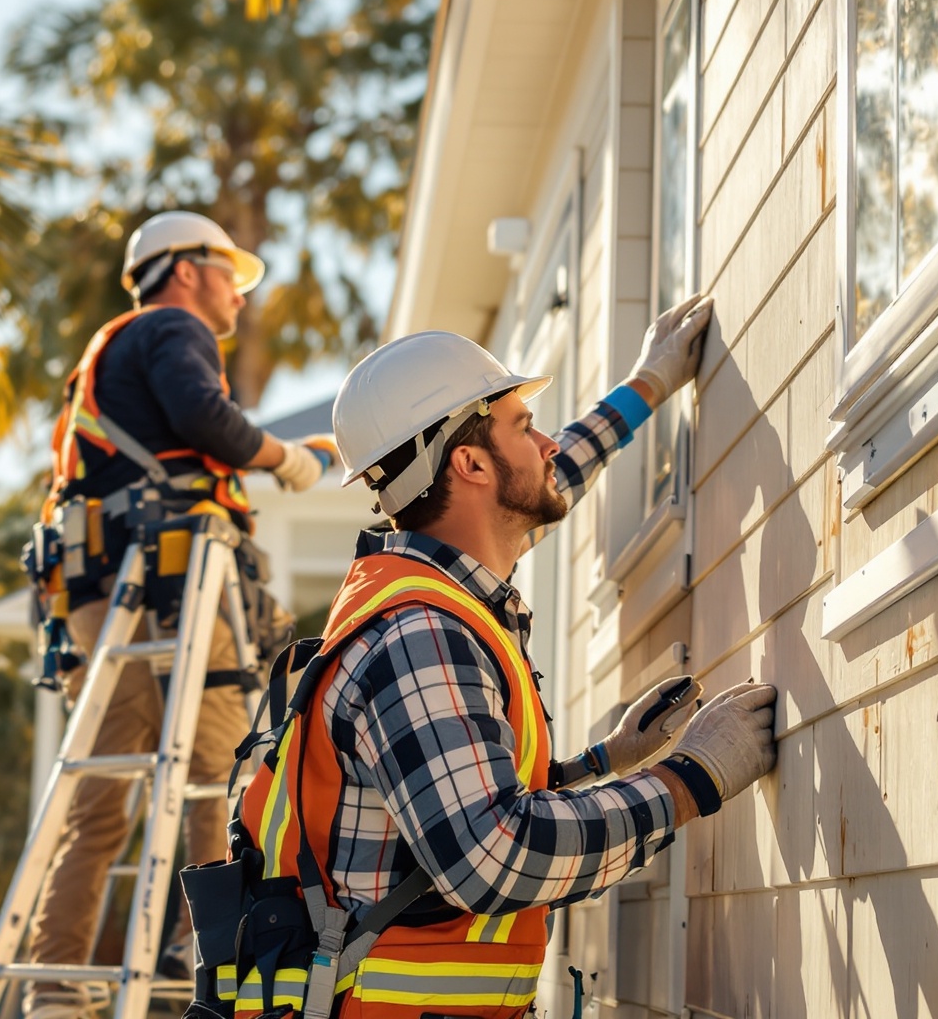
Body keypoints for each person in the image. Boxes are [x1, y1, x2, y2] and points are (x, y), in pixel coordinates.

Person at [213, 295, 778, 1019]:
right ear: (471, 462)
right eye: (525, 425)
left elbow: (438, 819)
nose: (547, 443)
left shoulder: (435, 594)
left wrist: (647, 387)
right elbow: (491, 855)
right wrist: (688, 779)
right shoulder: (420, 632)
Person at [25, 211, 336, 1019]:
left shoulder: (112, 352)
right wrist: (289, 459)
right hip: (172, 590)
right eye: (229, 273)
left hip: (105, 598)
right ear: (188, 268)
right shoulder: (172, 326)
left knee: (106, 799)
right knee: (222, 780)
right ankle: (216, 969)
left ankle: (58, 987)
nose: (238, 296)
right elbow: (206, 419)